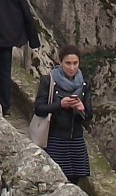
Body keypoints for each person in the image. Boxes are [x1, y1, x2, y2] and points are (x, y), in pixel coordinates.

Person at [34, 47, 91, 183]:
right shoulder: (48, 81)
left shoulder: (84, 84)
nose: (72, 67)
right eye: (68, 63)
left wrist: (81, 109)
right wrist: (60, 105)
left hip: (75, 139)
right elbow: (39, 109)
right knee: (55, 180)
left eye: (75, 63)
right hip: (55, 139)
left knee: (74, 182)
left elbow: (89, 116)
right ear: (60, 62)